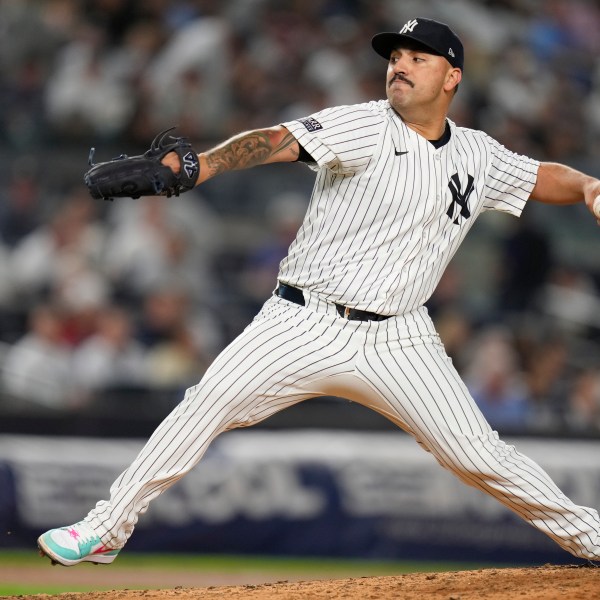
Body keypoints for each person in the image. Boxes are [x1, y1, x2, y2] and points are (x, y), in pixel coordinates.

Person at [38, 17, 600, 566]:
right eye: (395, 57)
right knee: (203, 407)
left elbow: (538, 176)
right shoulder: (364, 124)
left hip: (401, 338)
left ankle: (591, 538)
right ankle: (106, 527)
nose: (399, 66)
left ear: (452, 76)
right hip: (303, 320)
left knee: (481, 456)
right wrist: (202, 166)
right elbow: (277, 140)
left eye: (416, 58)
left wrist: (588, 185)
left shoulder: (477, 153)